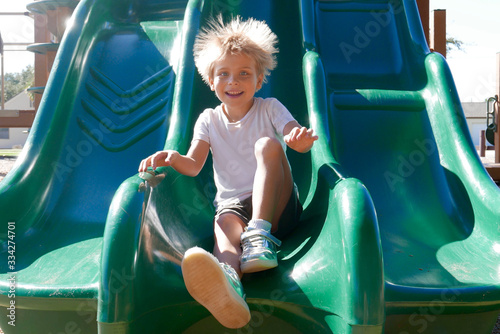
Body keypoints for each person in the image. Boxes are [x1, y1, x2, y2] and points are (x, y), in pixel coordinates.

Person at [138, 15, 318, 329]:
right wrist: (171, 157)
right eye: (224, 74)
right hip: (236, 209)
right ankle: (230, 283)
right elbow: (193, 165)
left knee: (267, 145)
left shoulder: (270, 107)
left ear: (259, 80)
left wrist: (297, 140)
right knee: (223, 225)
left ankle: (260, 237)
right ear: (211, 80)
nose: (233, 82)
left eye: (244, 74)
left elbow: (292, 136)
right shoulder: (207, 119)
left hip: (278, 208)